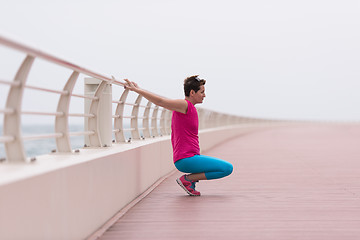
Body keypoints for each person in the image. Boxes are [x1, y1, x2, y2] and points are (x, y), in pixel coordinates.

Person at [124, 75, 233, 196]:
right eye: (202, 92)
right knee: (227, 168)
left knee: (224, 168)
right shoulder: (184, 105)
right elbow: (161, 102)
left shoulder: (189, 108)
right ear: (192, 92)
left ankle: (189, 181)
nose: (204, 95)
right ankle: (188, 180)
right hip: (186, 159)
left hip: (190, 157)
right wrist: (137, 90)